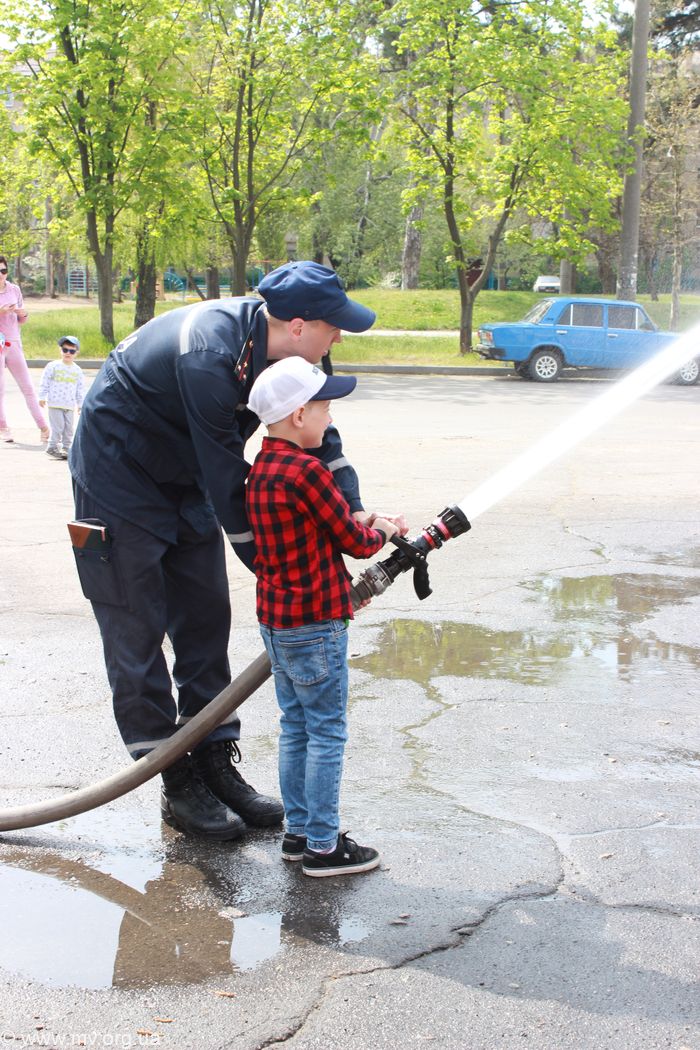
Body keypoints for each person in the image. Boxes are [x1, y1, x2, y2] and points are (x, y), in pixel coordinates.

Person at [69, 260, 406, 842]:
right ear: (298, 326)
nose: (338, 339)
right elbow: (228, 476)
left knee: (205, 617)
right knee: (136, 629)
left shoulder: (300, 355)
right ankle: (175, 779)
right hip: (118, 477)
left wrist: (350, 510)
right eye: (334, 328)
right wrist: (291, 576)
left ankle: (214, 763)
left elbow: (322, 438)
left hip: (188, 477)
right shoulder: (207, 355)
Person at [246, 357, 404, 877]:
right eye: (324, 409)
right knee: (327, 732)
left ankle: (298, 834)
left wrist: (362, 522)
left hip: (277, 622)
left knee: (295, 727)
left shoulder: (262, 469)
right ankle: (322, 846)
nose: (329, 418)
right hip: (316, 623)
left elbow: (313, 533)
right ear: (298, 415)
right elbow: (357, 543)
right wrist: (383, 528)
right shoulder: (308, 471)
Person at [0, 255, 49, 444]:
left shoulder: (14, 289)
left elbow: (22, 320)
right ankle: (3, 427)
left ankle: (43, 427)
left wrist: (23, 313)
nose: (1, 274)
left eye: (4, 270)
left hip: (13, 342)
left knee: (28, 387)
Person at [39, 336, 85, 461]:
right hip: (55, 403)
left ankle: (66, 448)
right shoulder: (53, 366)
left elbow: (80, 389)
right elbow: (45, 381)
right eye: (65, 350)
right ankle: (52, 447)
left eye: (72, 351)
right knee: (58, 427)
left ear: (76, 353)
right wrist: (42, 396)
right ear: (61, 350)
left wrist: (80, 405)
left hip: (69, 405)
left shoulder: (77, 370)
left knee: (69, 428)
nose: (68, 353)